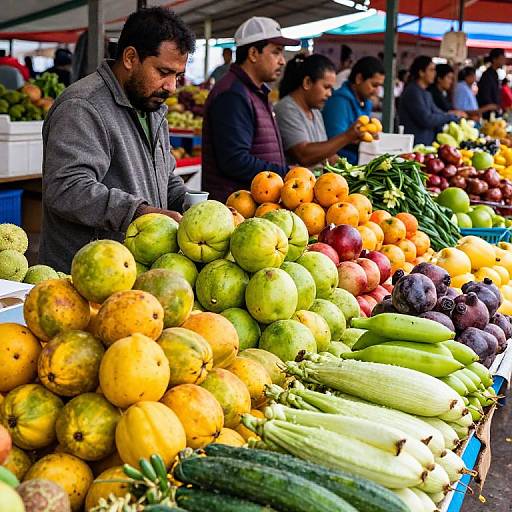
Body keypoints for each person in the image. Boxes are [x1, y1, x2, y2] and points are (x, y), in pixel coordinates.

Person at [39, 7, 195, 272]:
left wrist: (195, 207)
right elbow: (66, 188)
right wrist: (138, 212)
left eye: (177, 76)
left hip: (131, 270)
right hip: (82, 275)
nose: (172, 87)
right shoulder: (82, 106)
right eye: (163, 72)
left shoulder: (152, 108)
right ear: (131, 57)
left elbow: (165, 178)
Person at [201, 17, 299, 201]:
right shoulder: (232, 95)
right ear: (253, 53)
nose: (282, 61)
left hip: (254, 206)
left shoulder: (253, 92)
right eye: (276, 52)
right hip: (235, 209)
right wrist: (285, 173)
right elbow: (234, 161)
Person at [274, 54, 362, 168]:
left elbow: (326, 156)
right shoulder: (286, 109)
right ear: (307, 82)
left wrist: (352, 170)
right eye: (326, 87)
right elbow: (304, 155)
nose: (330, 94)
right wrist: (347, 136)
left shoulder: (315, 111)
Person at [322, 56, 385, 164]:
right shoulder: (338, 102)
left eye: (379, 86)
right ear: (359, 78)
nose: (376, 91)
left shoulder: (366, 103)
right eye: (374, 85)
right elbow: (335, 140)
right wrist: (359, 137)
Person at [398, 56, 464, 145]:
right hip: (415, 145)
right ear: (421, 72)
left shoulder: (425, 92)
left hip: (427, 144)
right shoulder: (412, 91)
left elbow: (437, 112)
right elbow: (426, 119)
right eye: (431, 70)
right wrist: (450, 116)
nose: (435, 73)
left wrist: (452, 115)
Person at [477, 48, 506, 115]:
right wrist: (491, 107)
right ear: (494, 59)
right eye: (502, 58)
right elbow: (485, 95)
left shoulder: (495, 74)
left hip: (494, 111)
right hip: (487, 112)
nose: (504, 61)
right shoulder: (487, 75)